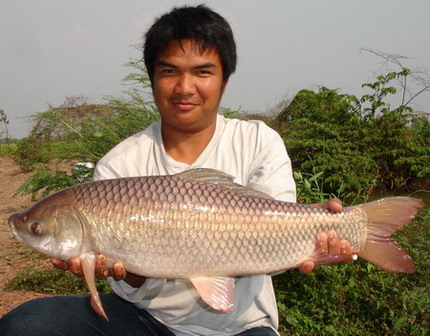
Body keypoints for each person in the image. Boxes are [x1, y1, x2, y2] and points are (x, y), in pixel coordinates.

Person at [0, 5, 352, 336]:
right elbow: (126, 283)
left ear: (224, 81)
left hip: (241, 324)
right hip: (147, 318)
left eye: (202, 72)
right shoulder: (119, 164)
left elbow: (276, 249)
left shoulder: (259, 141)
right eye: (169, 71)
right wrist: (123, 272)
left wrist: (319, 239)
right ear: (152, 78)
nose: (185, 87)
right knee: (26, 324)